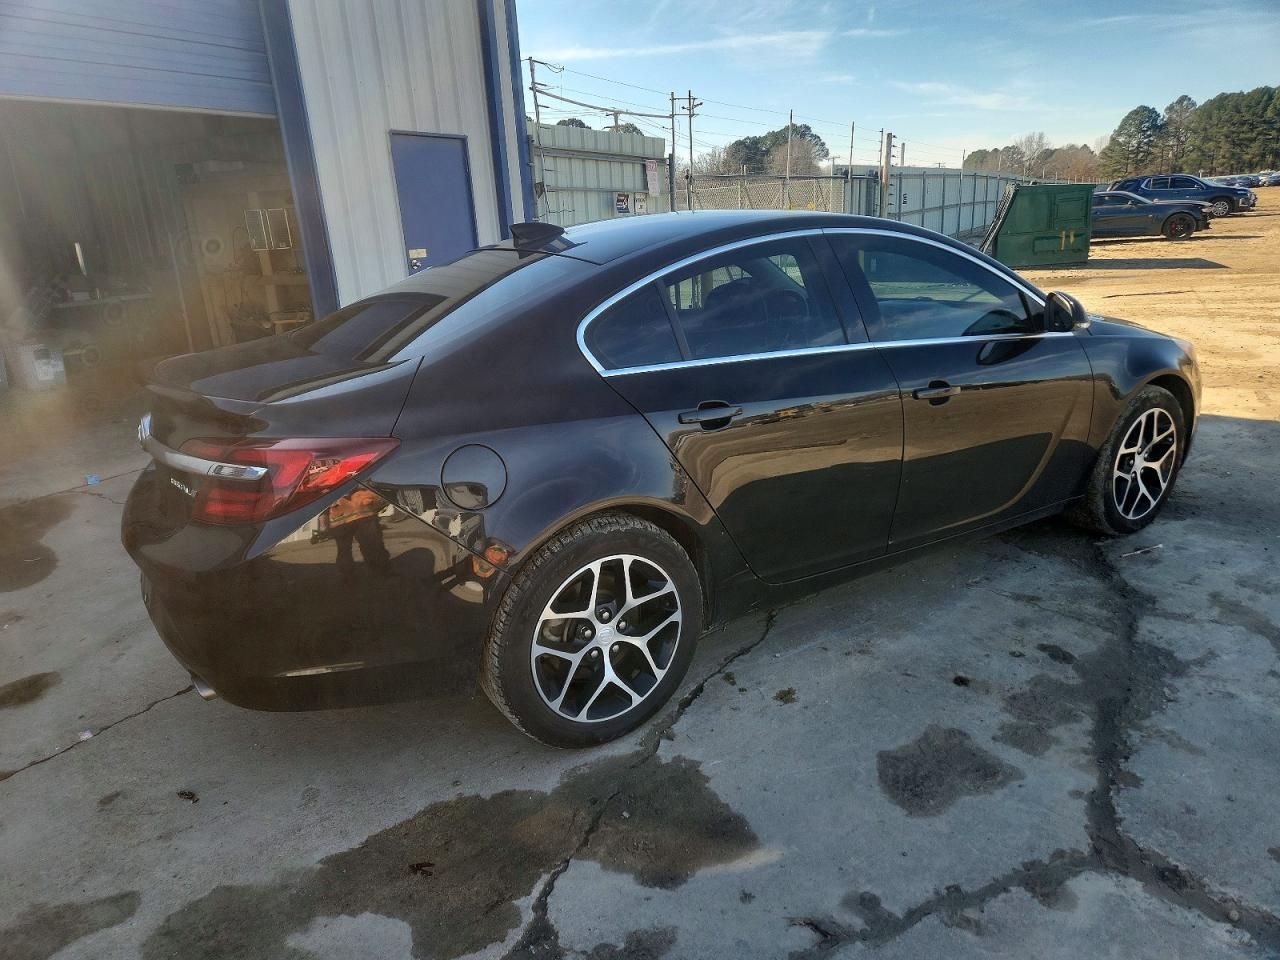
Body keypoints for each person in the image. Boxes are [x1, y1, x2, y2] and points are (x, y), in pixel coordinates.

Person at [326, 489, 390, 573]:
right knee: (371, 545)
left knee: (346, 550)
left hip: (345, 516)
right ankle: (381, 571)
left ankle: (348, 578)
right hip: (360, 513)